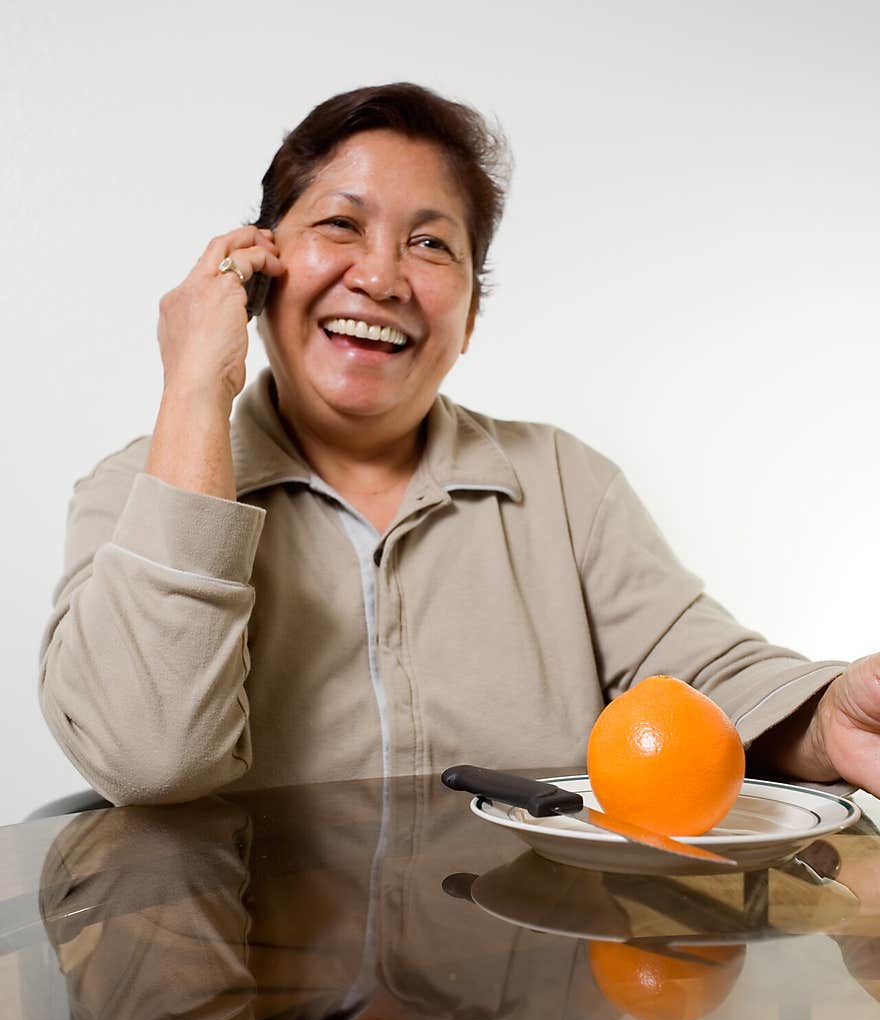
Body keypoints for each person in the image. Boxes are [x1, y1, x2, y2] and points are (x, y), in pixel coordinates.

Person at [39, 82, 880, 808]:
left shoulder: (562, 484)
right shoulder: (131, 492)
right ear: (259, 268)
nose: (381, 278)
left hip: (525, 983)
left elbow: (703, 679)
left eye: (431, 242)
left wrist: (831, 714)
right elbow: (151, 759)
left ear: (471, 313)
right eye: (340, 225)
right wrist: (194, 385)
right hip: (239, 981)